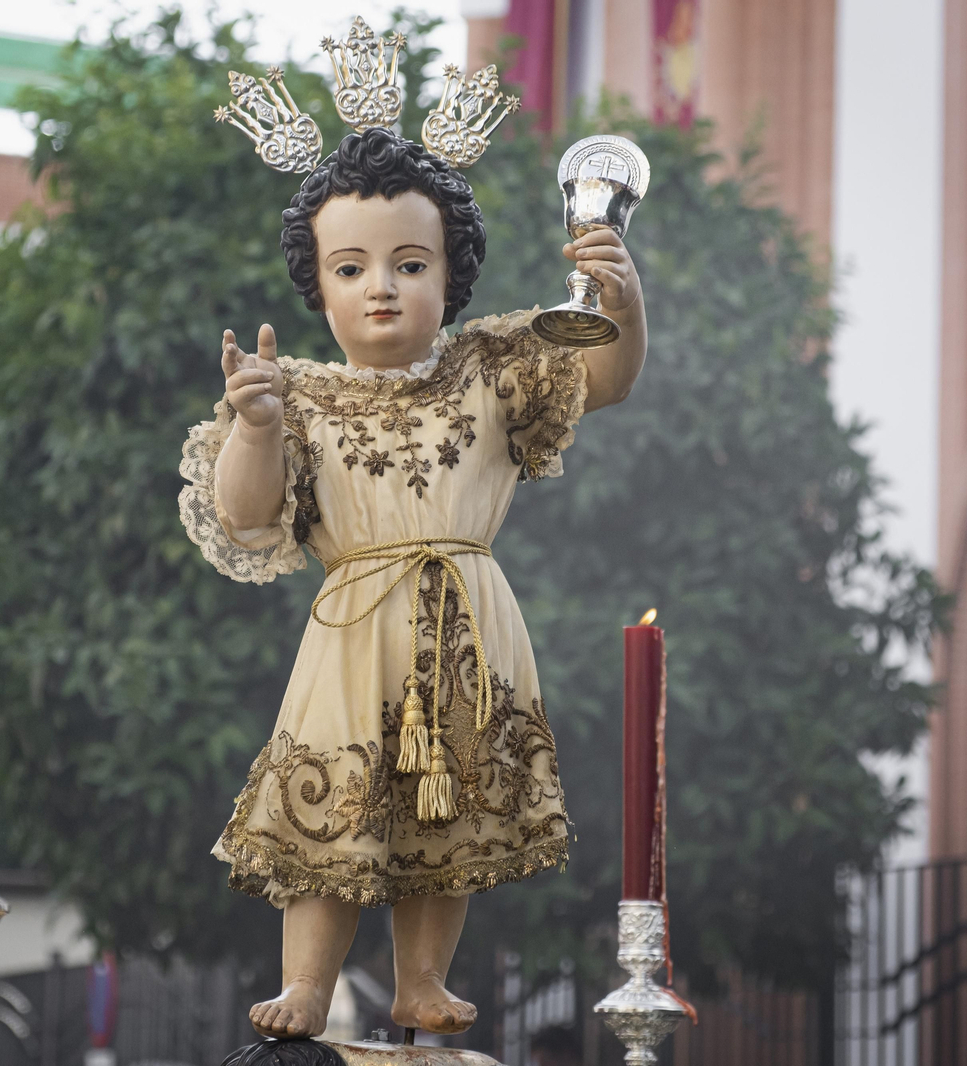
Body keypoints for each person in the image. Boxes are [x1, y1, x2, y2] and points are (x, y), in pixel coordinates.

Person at [179, 124, 646, 1040]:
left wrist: (623, 308)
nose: (381, 287)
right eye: (350, 269)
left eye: (409, 264)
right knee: (333, 803)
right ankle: (308, 986)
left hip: (469, 624)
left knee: (451, 818)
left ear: (451, 273)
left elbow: (604, 378)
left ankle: (421, 978)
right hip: (351, 637)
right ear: (318, 287)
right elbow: (244, 513)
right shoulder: (300, 394)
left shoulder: (493, 368)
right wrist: (258, 426)